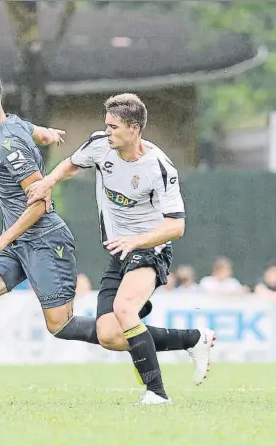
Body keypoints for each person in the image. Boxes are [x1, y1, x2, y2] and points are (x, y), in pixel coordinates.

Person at [27, 93, 214, 404]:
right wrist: (49, 182)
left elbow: (176, 227)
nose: (108, 131)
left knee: (124, 310)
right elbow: (73, 164)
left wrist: (136, 240)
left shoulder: (159, 167)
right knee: (109, 335)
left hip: (150, 249)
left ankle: (157, 394)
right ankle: (195, 339)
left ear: (134, 128)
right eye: (107, 125)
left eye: (114, 126)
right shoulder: (100, 144)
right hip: (120, 253)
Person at [0, 67, 100, 403]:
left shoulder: (6, 145)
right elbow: (33, 131)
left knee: (62, 326)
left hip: (43, 239)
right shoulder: (13, 125)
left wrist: (0, 241)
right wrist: (48, 134)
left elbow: (40, 202)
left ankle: (148, 336)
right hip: (19, 241)